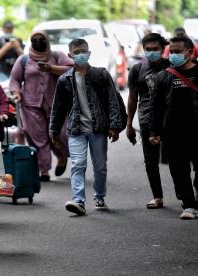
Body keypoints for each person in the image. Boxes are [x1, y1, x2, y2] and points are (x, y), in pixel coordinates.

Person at [149, 36, 198, 220]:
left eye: (177, 51)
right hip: (173, 133)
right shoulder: (164, 76)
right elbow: (156, 107)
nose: (173, 55)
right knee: (178, 170)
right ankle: (189, 205)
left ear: (190, 53)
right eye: (171, 52)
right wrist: (154, 131)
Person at [50, 38, 123, 215]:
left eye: (83, 51)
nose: (81, 55)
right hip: (76, 129)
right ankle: (78, 200)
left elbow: (113, 101)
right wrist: (54, 130)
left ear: (89, 53)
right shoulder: (64, 80)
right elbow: (57, 107)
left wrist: (115, 125)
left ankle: (99, 196)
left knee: (100, 166)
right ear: (70, 55)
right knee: (78, 164)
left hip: (98, 128)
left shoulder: (101, 75)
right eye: (76, 52)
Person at [10, 30, 74, 181]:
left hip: (56, 104)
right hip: (31, 104)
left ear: (47, 40)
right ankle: (44, 170)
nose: (39, 41)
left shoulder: (57, 56)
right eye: (35, 39)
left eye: (41, 39)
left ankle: (62, 156)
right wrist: (16, 92)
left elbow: (71, 69)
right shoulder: (23, 60)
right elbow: (15, 79)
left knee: (60, 134)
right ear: (31, 42)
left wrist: (51, 68)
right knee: (38, 137)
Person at [127, 33, 170, 209]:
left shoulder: (171, 66)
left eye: (155, 49)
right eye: (148, 49)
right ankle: (157, 197)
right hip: (145, 119)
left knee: (176, 158)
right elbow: (132, 98)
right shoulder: (137, 69)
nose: (151, 52)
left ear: (162, 49)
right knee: (150, 160)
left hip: (169, 120)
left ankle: (185, 194)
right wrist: (129, 124)